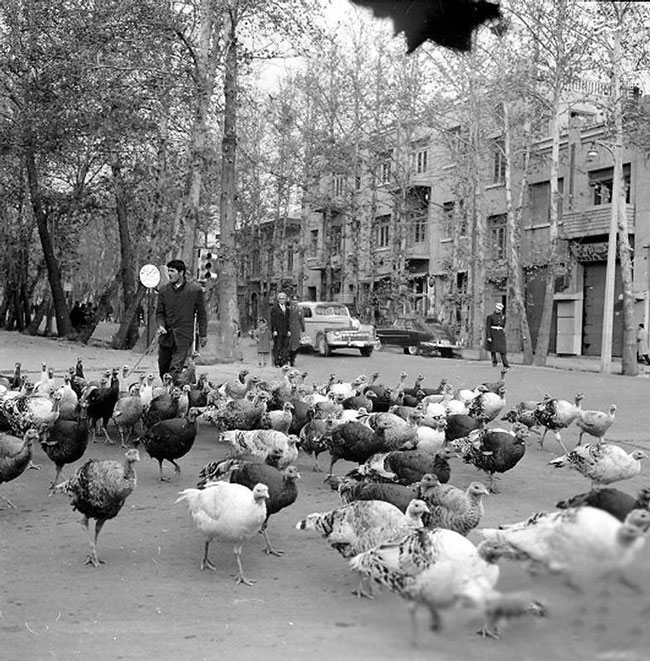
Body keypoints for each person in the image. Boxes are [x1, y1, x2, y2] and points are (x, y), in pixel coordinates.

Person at [155, 259, 207, 383]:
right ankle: (169, 388)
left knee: (175, 368)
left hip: (184, 336)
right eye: (168, 271)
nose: (169, 274)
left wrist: (203, 334)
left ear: (181, 272)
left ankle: (171, 395)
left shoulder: (194, 291)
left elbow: (202, 314)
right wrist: (161, 325)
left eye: (172, 271)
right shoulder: (163, 291)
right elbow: (159, 313)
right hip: (166, 336)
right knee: (163, 367)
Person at [485, 301, 509, 368]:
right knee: (493, 349)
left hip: (500, 333)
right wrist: (489, 336)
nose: (498, 310)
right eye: (497, 309)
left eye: (499, 310)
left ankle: (505, 363)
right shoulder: (490, 317)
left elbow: (503, 325)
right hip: (493, 333)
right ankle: (494, 361)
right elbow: (488, 327)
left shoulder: (503, 317)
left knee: (502, 349)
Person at [270, 291, 291, 367]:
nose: (282, 300)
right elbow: (273, 320)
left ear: (285, 300)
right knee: (277, 346)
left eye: (283, 298)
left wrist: (289, 330)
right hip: (278, 331)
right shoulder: (274, 309)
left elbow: (288, 320)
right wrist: (274, 330)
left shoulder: (287, 309)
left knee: (285, 346)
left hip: (285, 330)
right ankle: (277, 362)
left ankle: (283, 361)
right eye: (280, 298)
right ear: (278, 299)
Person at [288, 296, 305, 366]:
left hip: (297, 329)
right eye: (293, 300)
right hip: (290, 329)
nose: (295, 302)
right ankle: (289, 357)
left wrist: (303, 329)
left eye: (296, 300)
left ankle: (293, 359)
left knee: (296, 345)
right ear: (291, 301)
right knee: (289, 344)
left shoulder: (300, 310)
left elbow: (302, 320)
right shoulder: (289, 309)